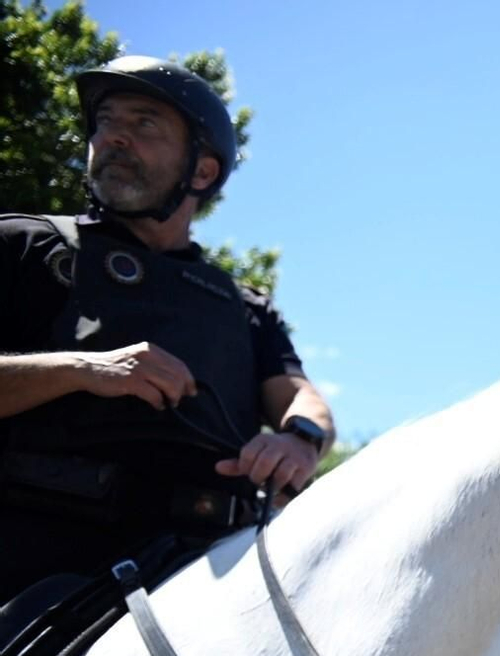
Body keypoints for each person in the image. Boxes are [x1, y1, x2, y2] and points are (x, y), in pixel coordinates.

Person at [0, 56, 334, 612]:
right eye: (106, 121)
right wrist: (83, 369)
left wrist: (297, 440)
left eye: (143, 123)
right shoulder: (25, 247)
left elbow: (303, 400)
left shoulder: (245, 308)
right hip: (30, 575)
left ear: (201, 172)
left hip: (208, 580)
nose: (113, 138)